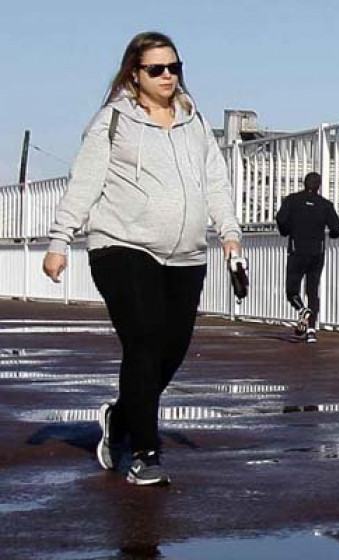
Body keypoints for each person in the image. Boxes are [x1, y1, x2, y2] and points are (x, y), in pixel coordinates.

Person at [42, 32, 242, 486]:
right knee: (145, 342)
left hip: (187, 254)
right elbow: (85, 183)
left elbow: (216, 182)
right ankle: (145, 454)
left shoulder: (193, 120)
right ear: (135, 73)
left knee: (171, 351)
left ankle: (121, 418)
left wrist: (229, 234)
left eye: (174, 67)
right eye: (157, 69)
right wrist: (60, 241)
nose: (168, 76)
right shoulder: (113, 121)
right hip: (122, 246)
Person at [275, 171, 339, 343]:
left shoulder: (291, 200)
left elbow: (281, 220)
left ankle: (302, 309)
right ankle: (311, 330)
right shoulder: (325, 204)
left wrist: (287, 231)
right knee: (312, 290)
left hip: (297, 251)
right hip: (317, 253)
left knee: (292, 291)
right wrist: (331, 234)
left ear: (304, 184)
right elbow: (336, 228)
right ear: (319, 186)